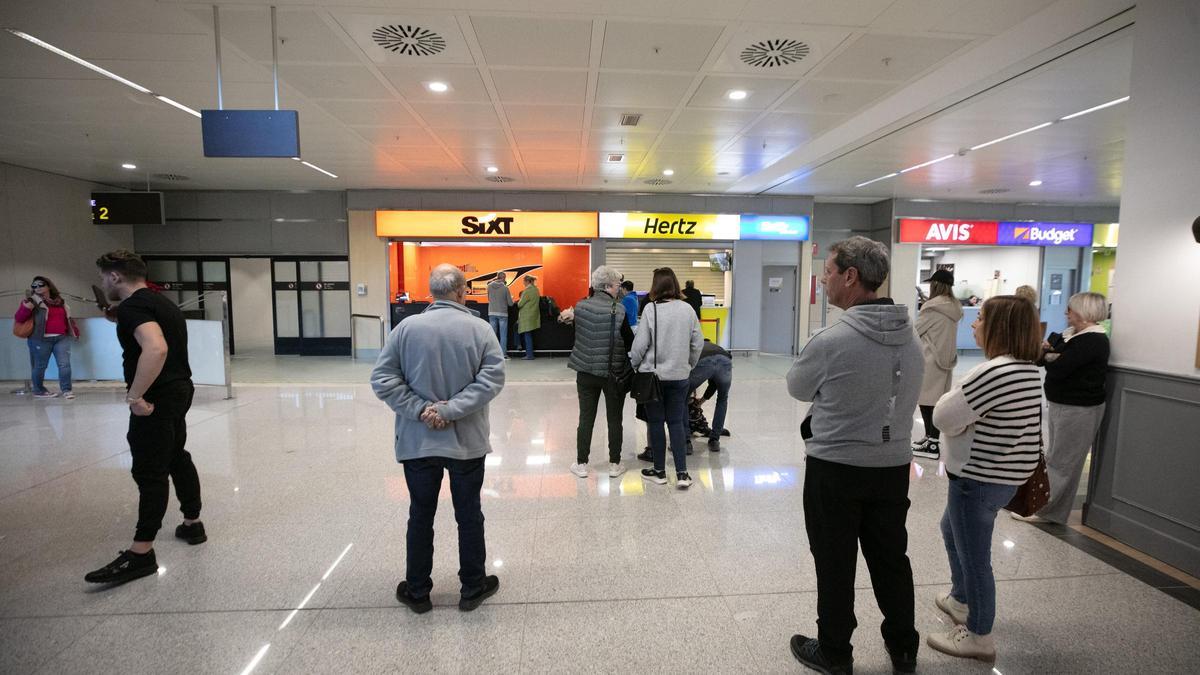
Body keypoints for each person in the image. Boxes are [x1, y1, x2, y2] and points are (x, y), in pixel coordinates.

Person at [785, 236, 922, 675]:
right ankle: (903, 647)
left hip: (836, 471)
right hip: (893, 467)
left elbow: (797, 387)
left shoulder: (832, 340)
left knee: (835, 560)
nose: (823, 280)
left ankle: (835, 651)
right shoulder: (911, 337)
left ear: (850, 276)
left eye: (827, 272)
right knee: (891, 559)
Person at [371, 264, 505, 614]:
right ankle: (473, 588)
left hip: (418, 443)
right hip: (467, 444)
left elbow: (383, 379)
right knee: (469, 514)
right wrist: (449, 410)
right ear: (462, 292)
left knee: (420, 515)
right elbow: (491, 380)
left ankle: (417, 591)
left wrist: (421, 410)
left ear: (432, 292)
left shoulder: (405, 329)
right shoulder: (480, 330)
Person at [929, 295, 1043, 662]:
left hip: (976, 479)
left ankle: (979, 633)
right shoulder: (1029, 369)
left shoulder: (995, 372)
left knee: (975, 557)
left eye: (979, 319)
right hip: (1004, 476)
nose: (973, 325)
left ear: (999, 327)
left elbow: (944, 417)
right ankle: (961, 599)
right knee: (951, 529)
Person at [85, 250, 206, 585]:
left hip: (157, 396)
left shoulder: (135, 307)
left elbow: (156, 348)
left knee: (150, 471)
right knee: (175, 455)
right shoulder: (157, 302)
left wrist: (135, 395)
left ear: (115, 277)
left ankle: (141, 554)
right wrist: (117, 315)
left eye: (103, 277)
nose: (102, 283)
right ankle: (192, 524)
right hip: (180, 388)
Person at [1013, 292, 1109, 525]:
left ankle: (1045, 509)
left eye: (1071, 309)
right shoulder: (1071, 336)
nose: (1066, 313)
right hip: (1062, 404)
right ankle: (1053, 512)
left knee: (1062, 462)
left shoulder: (1093, 340)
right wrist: (1050, 355)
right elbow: (1040, 359)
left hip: (1079, 409)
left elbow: (1060, 368)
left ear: (1084, 312)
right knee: (1057, 459)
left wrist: (1051, 356)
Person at [630, 267, 703, 489]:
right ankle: (682, 474)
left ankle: (659, 471)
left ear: (656, 286)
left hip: (654, 378)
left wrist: (634, 364)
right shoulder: (688, 309)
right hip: (680, 377)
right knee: (676, 423)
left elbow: (640, 345)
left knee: (655, 423)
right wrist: (688, 364)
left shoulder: (651, 309)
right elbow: (697, 343)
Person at [567, 266, 634, 479]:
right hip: (612, 374)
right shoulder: (619, 309)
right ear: (607, 286)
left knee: (586, 418)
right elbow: (630, 342)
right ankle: (614, 464)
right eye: (617, 285)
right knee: (615, 419)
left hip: (585, 372)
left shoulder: (580, 306)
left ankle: (581, 464)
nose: (619, 290)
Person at [912, 269, 963, 460]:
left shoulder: (932, 308)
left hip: (929, 359)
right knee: (935, 401)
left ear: (935, 285)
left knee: (927, 401)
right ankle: (929, 437)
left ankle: (932, 445)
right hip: (945, 359)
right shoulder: (954, 307)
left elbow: (916, 331)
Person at [14, 276, 78, 399]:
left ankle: (67, 390)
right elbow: (19, 318)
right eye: (34, 286)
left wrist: (74, 331)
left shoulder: (59, 301)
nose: (37, 287)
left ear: (48, 286)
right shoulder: (31, 301)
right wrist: (26, 308)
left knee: (64, 364)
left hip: (61, 337)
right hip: (40, 339)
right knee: (40, 366)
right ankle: (39, 390)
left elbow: (67, 318)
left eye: (40, 284)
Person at [687, 339, 732, 451]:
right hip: (725, 361)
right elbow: (714, 384)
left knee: (682, 398)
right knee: (722, 399)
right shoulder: (715, 347)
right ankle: (714, 439)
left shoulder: (693, 347)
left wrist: (689, 398)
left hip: (703, 361)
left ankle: (685, 442)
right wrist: (701, 401)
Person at [486, 271, 513, 358]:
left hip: (492, 312)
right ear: (504, 278)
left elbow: (489, 298)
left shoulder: (489, 286)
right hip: (503, 313)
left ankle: (492, 354)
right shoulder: (505, 288)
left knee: (493, 335)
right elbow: (510, 303)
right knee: (503, 335)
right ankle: (503, 354)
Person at [516, 274, 541, 360]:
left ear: (527, 281)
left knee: (527, 335)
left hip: (527, 316)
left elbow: (520, 304)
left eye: (524, 281)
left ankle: (529, 355)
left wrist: (519, 301)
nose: (523, 283)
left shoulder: (527, 291)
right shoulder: (536, 290)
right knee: (529, 335)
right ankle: (530, 354)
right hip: (534, 315)